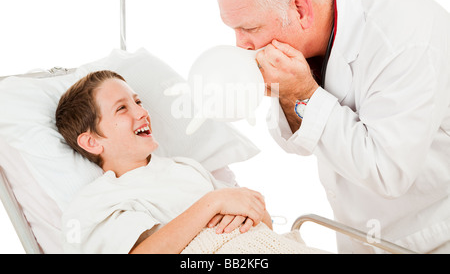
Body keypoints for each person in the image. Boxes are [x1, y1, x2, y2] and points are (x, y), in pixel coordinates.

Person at [216, 0, 450, 253]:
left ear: (301, 10)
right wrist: (292, 93)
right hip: (359, 233)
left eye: (249, 29)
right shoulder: (310, 24)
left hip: (431, 234)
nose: (240, 44)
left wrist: (304, 92)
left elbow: (388, 172)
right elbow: (298, 142)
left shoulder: (406, 39)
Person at [55, 70, 321, 254]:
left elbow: (261, 223)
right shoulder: (97, 201)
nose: (141, 112)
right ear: (91, 141)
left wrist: (252, 206)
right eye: (122, 108)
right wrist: (212, 203)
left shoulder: (185, 167)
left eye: (138, 101)